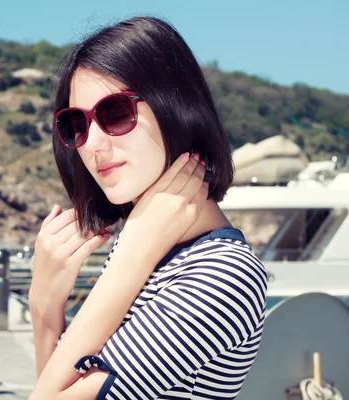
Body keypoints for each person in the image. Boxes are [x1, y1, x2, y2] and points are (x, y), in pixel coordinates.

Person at [28, 17, 268, 400]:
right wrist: (44, 308)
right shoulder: (150, 243)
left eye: (115, 113)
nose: (92, 145)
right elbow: (53, 388)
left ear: (176, 105)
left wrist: (132, 254)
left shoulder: (223, 274)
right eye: (78, 123)